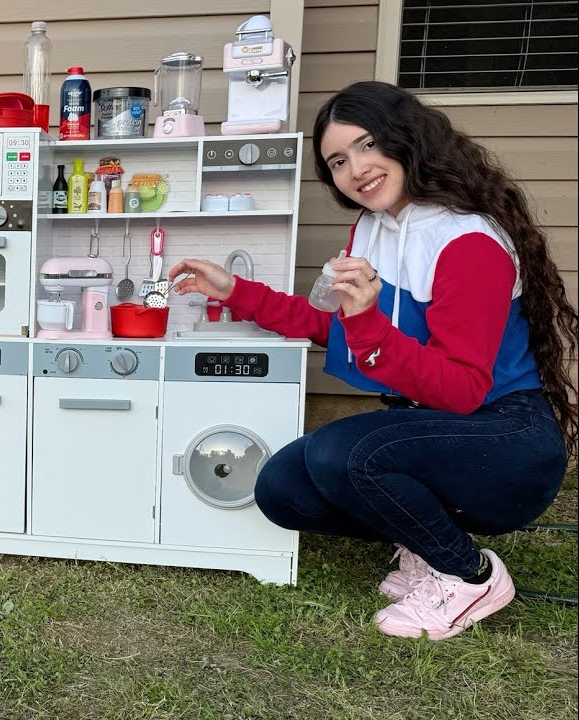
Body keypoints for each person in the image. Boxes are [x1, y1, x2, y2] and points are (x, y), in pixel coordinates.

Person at [167, 81, 576, 641]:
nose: (355, 169)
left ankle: (468, 574)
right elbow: (334, 329)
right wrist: (234, 289)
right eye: (338, 160)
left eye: (366, 146)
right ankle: (423, 544)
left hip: (506, 439)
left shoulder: (469, 241)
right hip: (438, 428)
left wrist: (366, 322)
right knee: (281, 487)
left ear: (406, 138)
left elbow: (461, 390)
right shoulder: (372, 229)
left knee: (343, 451)